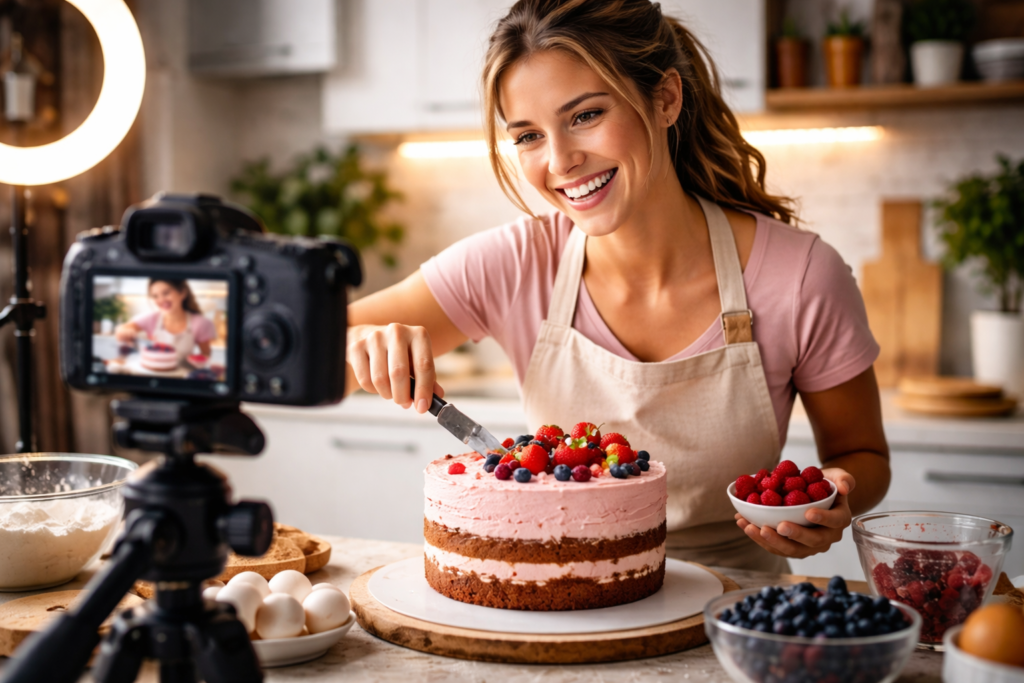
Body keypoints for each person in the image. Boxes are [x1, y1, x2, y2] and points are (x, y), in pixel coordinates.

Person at [346, 0, 890, 570]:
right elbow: (310, 353)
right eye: (528, 136)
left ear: (666, 99)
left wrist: (829, 501)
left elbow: (862, 455)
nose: (561, 161)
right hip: (563, 597)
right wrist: (361, 343)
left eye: (585, 115)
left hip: (734, 601)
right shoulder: (515, 262)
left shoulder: (801, 275)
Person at [115, 279, 216, 361]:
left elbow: (205, 355)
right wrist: (125, 331)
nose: (161, 300)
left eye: (166, 293)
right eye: (155, 296)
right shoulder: (151, 318)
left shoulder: (201, 323)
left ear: (182, 292)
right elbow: (122, 329)